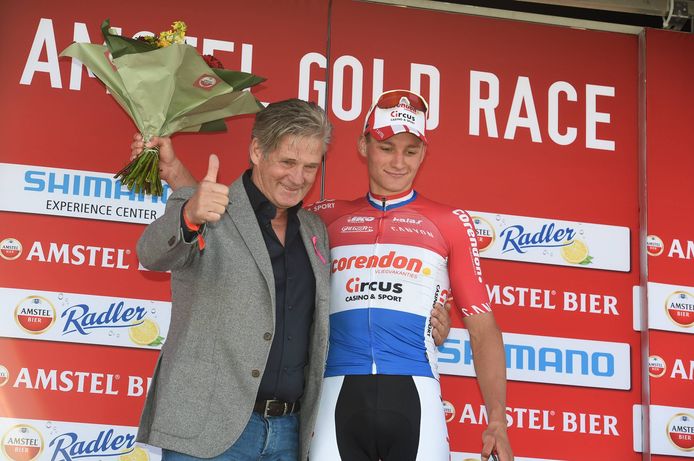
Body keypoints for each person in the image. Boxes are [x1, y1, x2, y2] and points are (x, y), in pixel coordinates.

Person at [306, 90, 512, 461]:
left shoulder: (449, 223)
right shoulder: (325, 216)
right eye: (386, 147)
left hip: (416, 392)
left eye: (411, 150)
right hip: (335, 389)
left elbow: (483, 330)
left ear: (424, 153)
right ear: (363, 145)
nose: (398, 162)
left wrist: (497, 420)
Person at [134, 99, 333, 461]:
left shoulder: (314, 229)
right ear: (257, 150)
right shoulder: (207, 207)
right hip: (206, 431)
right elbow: (151, 254)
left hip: (288, 433)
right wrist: (190, 214)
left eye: (310, 166)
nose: (298, 177)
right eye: (287, 162)